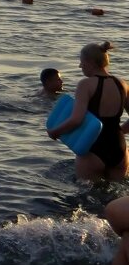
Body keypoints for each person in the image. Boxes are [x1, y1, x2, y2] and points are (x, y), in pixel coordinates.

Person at [48, 41, 127, 181]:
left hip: (93, 147)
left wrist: (55, 131)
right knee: (117, 198)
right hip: (119, 148)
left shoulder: (85, 84)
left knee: (85, 197)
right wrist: (119, 130)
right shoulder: (122, 84)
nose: (80, 66)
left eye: (81, 62)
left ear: (90, 62)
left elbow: (76, 119)